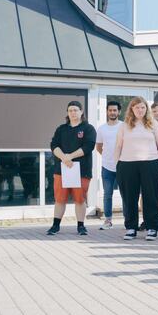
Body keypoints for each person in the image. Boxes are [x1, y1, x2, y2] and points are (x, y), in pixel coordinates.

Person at [114, 97, 158, 241]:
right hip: (127, 165)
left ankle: (152, 228)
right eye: (137, 108)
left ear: (146, 109)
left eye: (143, 107)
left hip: (150, 164)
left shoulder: (153, 124)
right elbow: (118, 146)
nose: (140, 110)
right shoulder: (124, 126)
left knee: (151, 197)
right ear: (132, 109)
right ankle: (131, 228)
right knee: (129, 197)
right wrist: (117, 163)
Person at [47, 101, 96, 236]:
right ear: (67, 113)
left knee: (80, 199)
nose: (73, 113)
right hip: (61, 170)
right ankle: (55, 226)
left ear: (81, 112)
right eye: (70, 110)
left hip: (81, 170)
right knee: (59, 199)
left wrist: (70, 157)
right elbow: (54, 145)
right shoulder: (61, 129)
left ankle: (81, 226)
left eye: (75, 110)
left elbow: (88, 146)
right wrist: (64, 158)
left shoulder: (88, 128)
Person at [137, 102, 158, 231]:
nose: (157, 113)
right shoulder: (146, 126)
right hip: (144, 164)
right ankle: (146, 220)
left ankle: (157, 219)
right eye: (154, 111)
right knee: (143, 195)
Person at [96, 101, 123, 230]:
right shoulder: (101, 129)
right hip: (107, 166)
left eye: (115, 110)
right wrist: (107, 156)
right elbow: (99, 147)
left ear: (119, 112)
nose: (112, 112)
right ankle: (108, 221)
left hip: (123, 166)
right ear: (107, 112)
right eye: (110, 110)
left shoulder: (124, 126)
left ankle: (128, 221)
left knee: (126, 194)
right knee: (108, 194)